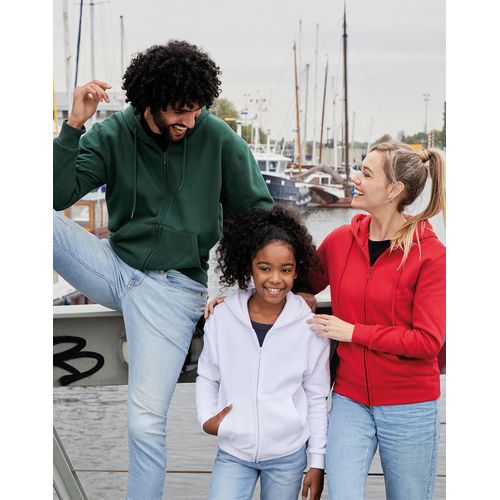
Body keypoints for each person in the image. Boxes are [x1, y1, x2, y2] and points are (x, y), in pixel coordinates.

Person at [53, 40, 273, 499]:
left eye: (196, 110)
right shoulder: (114, 133)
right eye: (179, 111)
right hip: (114, 267)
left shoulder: (217, 138)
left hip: (173, 290)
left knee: (145, 422)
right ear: (149, 101)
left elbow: (259, 216)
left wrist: (268, 288)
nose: (189, 121)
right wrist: (73, 126)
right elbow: (57, 194)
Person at [307, 141, 446, 499]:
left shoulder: (431, 255)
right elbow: (291, 283)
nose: (355, 178)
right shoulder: (340, 241)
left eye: (366, 174)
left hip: (409, 405)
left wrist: (354, 332)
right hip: (350, 399)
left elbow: (427, 341)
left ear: (394, 190)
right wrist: (236, 302)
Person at [196, 205, 330, 500]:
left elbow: (316, 396)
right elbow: (207, 375)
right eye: (265, 268)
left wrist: (317, 460)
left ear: (297, 270)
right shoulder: (222, 317)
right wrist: (207, 419)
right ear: (249, 267)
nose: (275, 279)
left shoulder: (309, 327)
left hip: (288, 455)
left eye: (286, 270)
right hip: (234, 452)